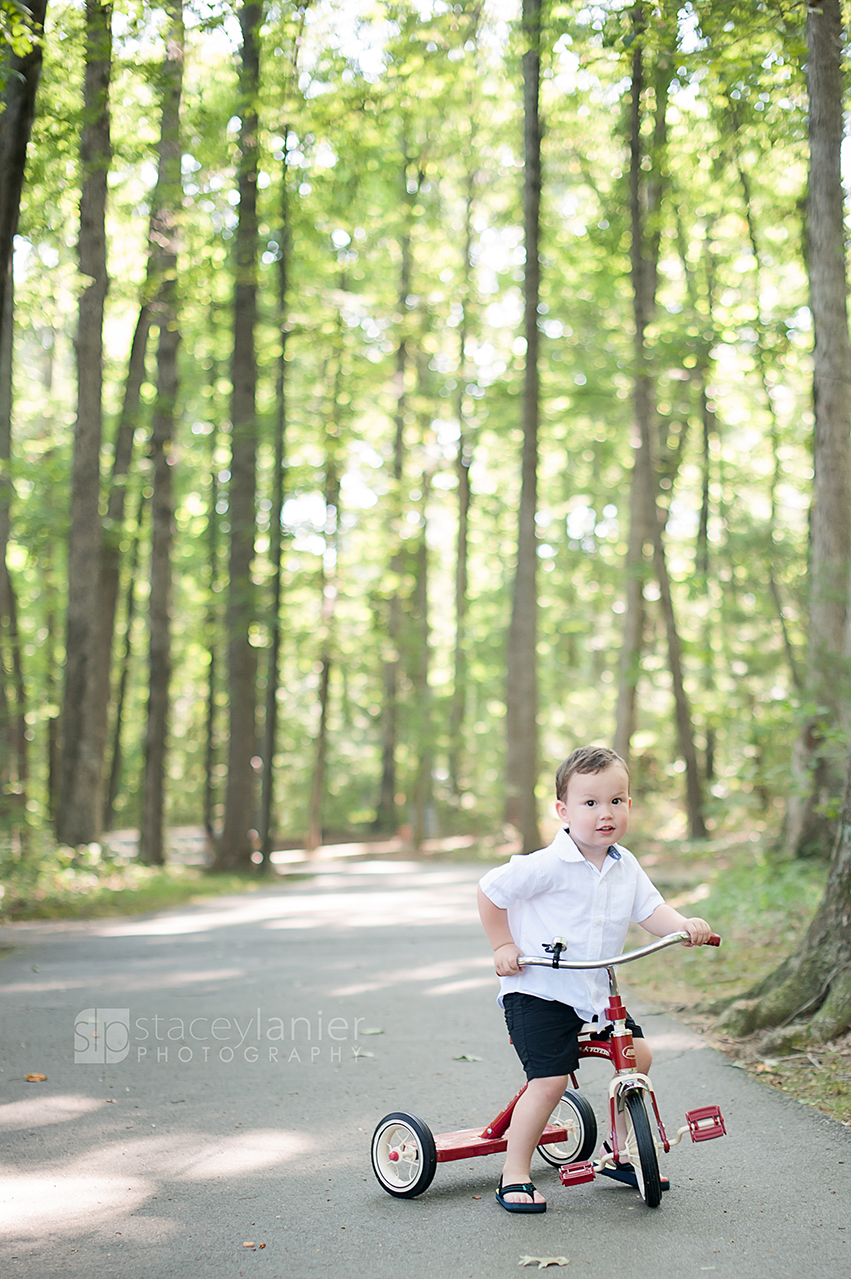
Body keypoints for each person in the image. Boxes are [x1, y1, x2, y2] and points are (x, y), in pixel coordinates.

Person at [477, 745, 713, 1213]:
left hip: (593, 993)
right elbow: (490, 892)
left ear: (629, 805)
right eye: (590, 803)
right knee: (548, 1081)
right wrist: (503, 945)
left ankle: (619, 1152)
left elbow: (652, 911)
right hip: (538, 991)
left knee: (638, 1055)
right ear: (564, 811)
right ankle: (515, 1174)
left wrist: (684, 925)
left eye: (617, 800)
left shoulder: (626, 866)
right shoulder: (545, 864)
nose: (605, 813)